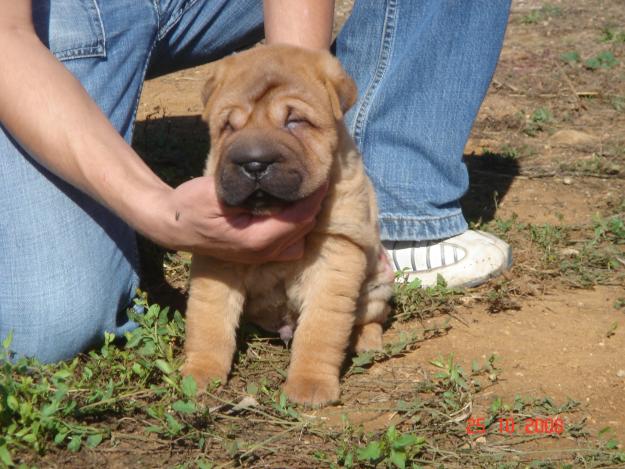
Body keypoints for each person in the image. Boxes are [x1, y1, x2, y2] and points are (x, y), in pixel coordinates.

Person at [0, 0, 511, 363]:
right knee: (50, 325)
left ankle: (394, 211)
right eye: (231, 125)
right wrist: (159, 210)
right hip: (54, 18)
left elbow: (296, 86)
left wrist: (302, 80)